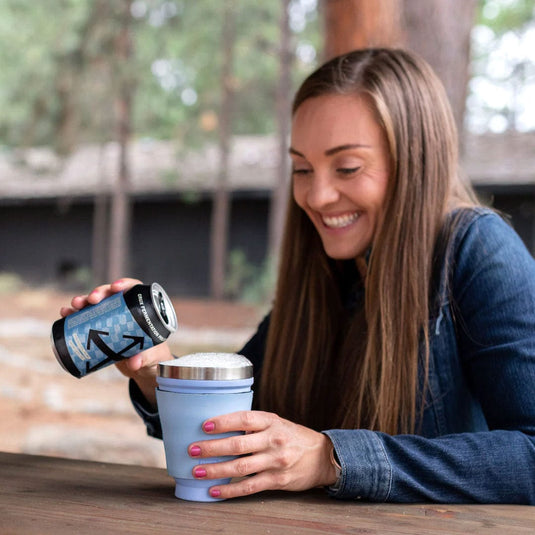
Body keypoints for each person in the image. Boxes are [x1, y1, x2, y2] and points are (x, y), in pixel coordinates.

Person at [60, 48, 535, 504]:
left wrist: (331, 458)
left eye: (346, 167)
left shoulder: (478, 250)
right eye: (302, 169)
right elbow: (236, 432)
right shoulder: (327, 271)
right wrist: (156, 368)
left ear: (415, 162)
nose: (318, 195)